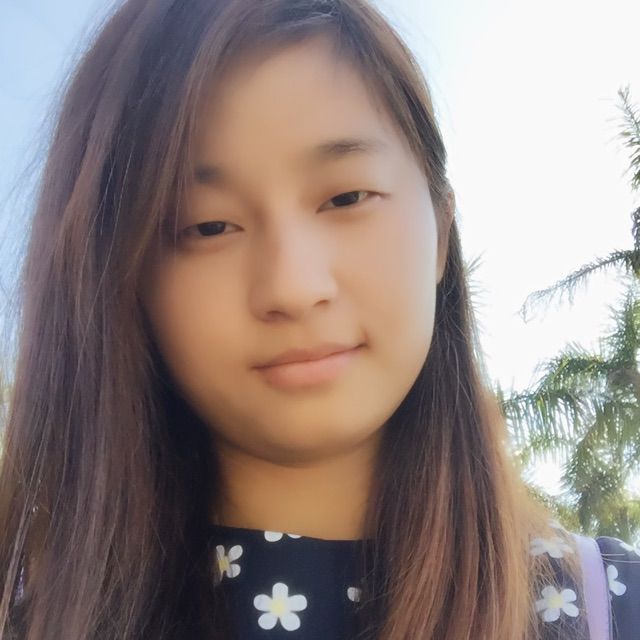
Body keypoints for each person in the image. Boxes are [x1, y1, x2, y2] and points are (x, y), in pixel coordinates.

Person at [0, 0, 638, 638]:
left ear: (441, 231)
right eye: (207, 226)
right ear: (118, 278)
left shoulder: (609, 608)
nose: (293, 287)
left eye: (346, 197)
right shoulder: (28, 618)